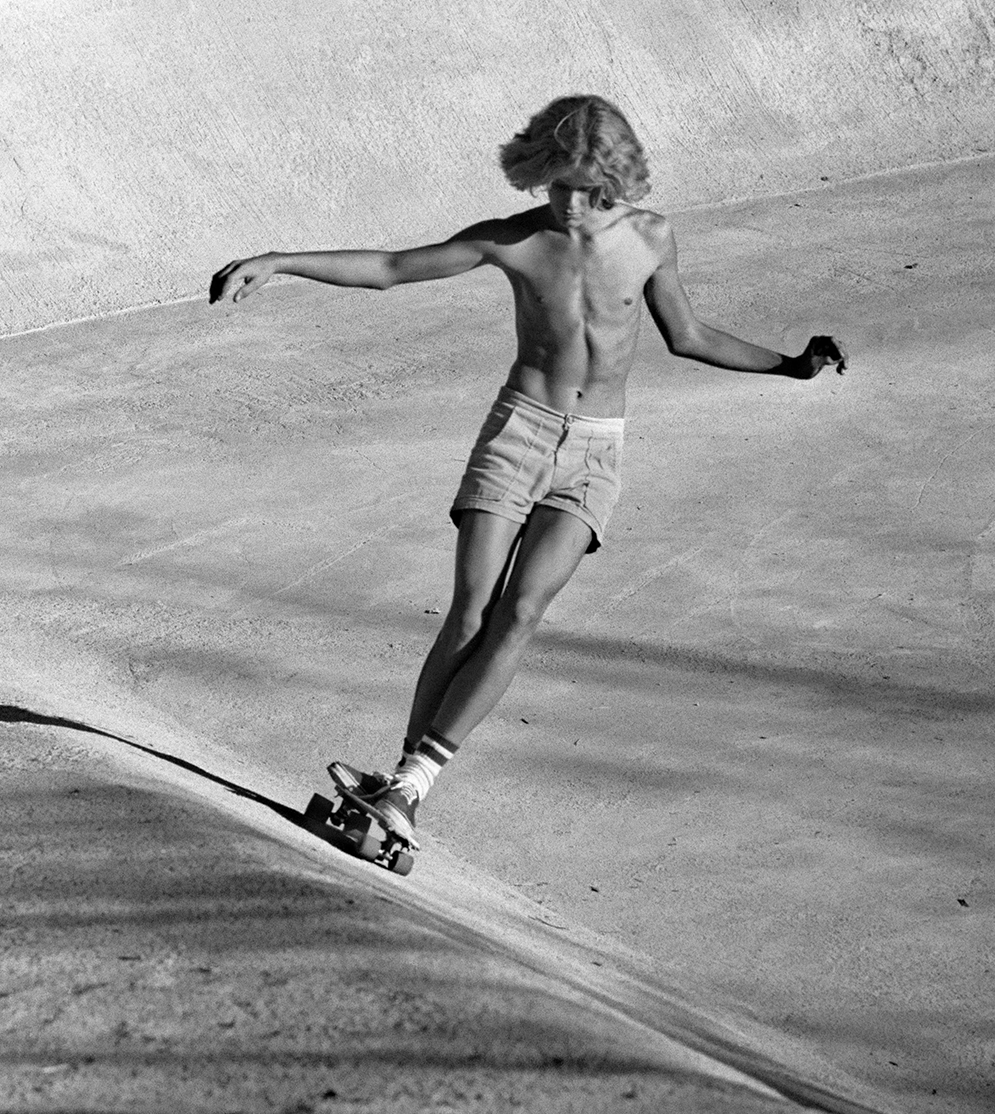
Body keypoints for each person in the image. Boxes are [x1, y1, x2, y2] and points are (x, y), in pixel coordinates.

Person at [208, 94, 846, 851]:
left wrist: (791, 365)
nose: (570, 203)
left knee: (523, 613)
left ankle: (410, 787)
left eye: (585, 187)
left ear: (613, 177)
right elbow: (388, 268)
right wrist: (279, 261)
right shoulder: (514, 241)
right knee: (472, 611)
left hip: (596, 451)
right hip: (520, 432)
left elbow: (689, 334)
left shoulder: (651, 238)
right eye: (555, 184)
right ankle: (400, 787)